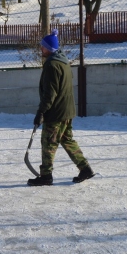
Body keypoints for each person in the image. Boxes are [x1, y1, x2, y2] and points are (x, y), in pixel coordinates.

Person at [28, 29, 94, 186]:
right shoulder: (63, 62)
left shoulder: (52, 65)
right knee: (67, 140)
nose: (40, 49)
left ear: (49, 48)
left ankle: (46, 176)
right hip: (67, 111)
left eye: (42, 47)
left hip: (56, 113)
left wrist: (41, 112)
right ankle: (85, 169)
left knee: (48, 142)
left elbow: (50, 93)